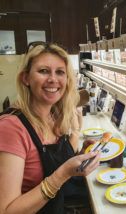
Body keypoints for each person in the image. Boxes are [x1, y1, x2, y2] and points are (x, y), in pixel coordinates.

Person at [0, 42, 100, 214]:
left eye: (60, 72)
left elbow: (56, 165)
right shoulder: (11, 128)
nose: (53, 79)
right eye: (43, 71)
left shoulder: (53, 116)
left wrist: (80, 156)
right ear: (26, 78)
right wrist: (63, 174)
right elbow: (7, 210)